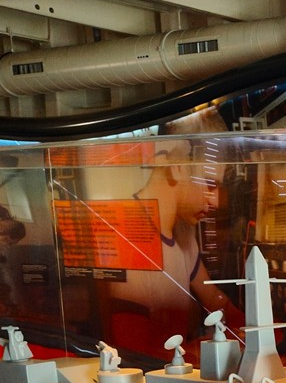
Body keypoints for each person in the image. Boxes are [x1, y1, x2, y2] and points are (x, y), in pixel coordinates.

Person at [103, 132, 242, 359]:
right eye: (209, 184)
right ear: (177, 168)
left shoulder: (183, 232)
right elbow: (133, 353)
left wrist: (257, 330)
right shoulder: (130, 234)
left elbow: (213, 298)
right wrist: (200, 354)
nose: (215, 201)